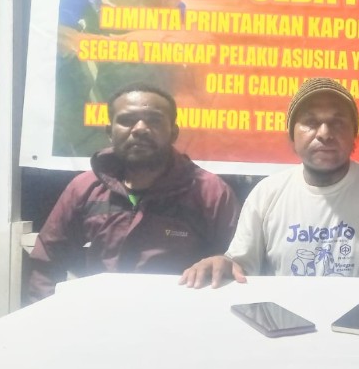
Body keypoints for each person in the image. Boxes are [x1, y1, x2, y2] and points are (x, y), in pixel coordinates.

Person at [179, 77, 359, 294]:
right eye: (311, 122)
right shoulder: (267, 193)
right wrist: (221, 264)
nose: (324, 133)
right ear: (291, 138)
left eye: (337, 123)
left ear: (355, 137)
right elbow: (241, 266)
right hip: (285, 325)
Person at [28, 82, 240, 302]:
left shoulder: (210, 192)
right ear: (110, 132)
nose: (140, 129)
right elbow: (47, 262)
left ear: (173, 133)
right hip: (101, 314)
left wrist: (222, 262)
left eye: (154, 120)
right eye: (127, 120)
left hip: (179, 316)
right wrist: (50, 315)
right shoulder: (85, 188)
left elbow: (236, 261)